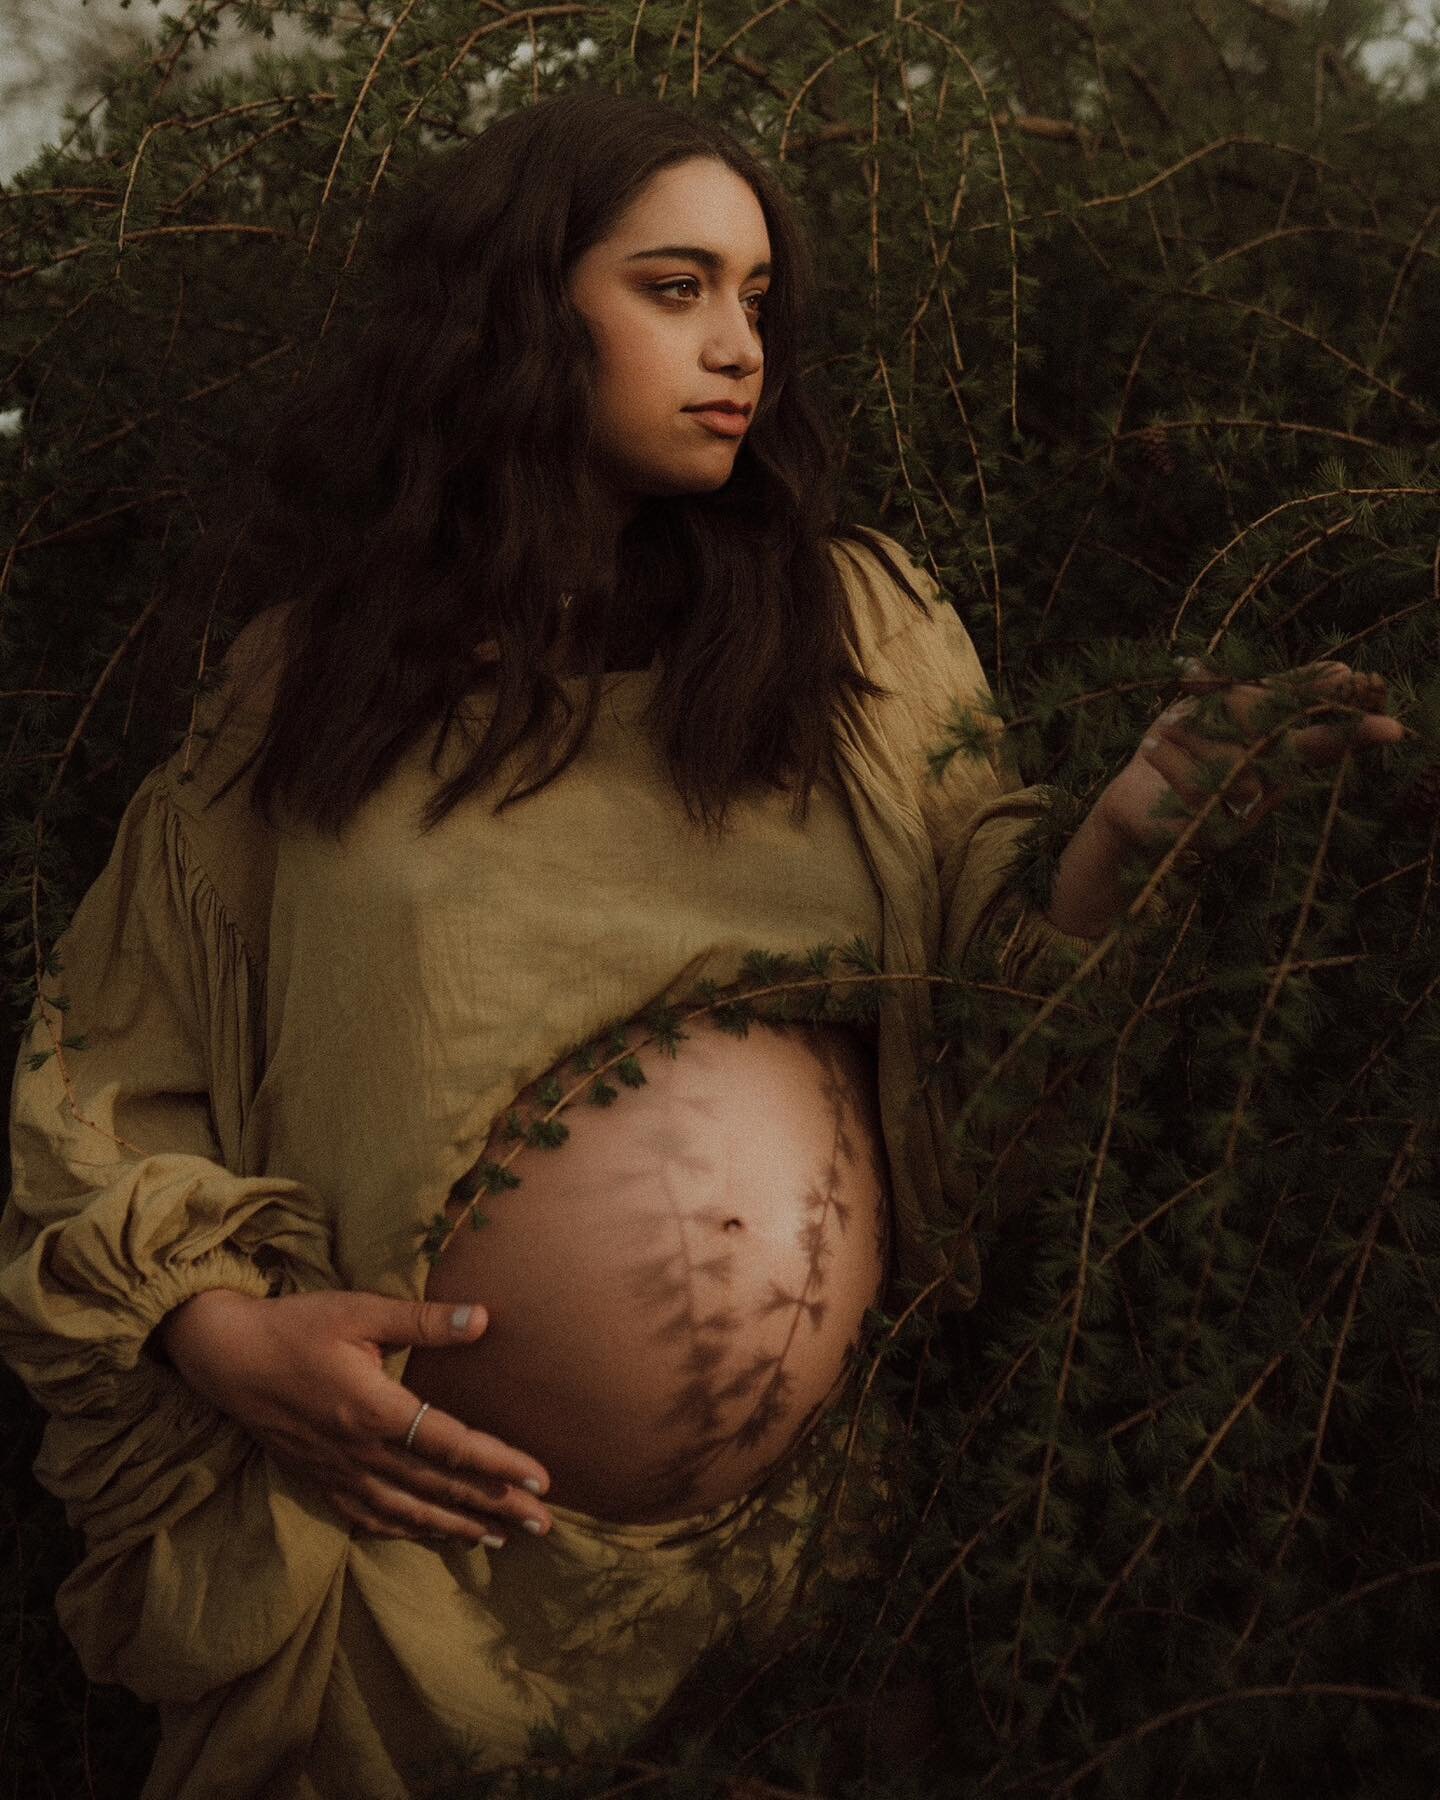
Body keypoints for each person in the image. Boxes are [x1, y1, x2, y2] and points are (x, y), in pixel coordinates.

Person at [0, 88, 1403, 1800]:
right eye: (675, 289)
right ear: (519, 315)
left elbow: (997, 1059)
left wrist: (1124, 832)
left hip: (800, 1598)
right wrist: (218, 1338)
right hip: (396, 1582)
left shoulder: (858, 636)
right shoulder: (315, 685)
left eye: (756, 298)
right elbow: (107, 1072)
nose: (738, 344)